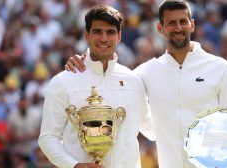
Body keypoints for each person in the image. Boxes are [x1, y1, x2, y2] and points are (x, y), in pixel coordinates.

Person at [65, 0, 227, 168]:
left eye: (183, 21)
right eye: (171, 23)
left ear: (192, 25)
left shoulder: (219, 67)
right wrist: (85, 63)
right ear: (160, 28)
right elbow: (108, 78)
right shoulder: (145, 73)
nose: (178, 28)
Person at [38, 5, 154, 168]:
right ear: (86, 35)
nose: (104, 38)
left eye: (110, 32)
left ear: (119, 36)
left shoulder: (134, 80)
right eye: (97, 31)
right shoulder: (63, 81)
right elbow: (48, 138)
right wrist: (75, 165)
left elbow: (152, 130)